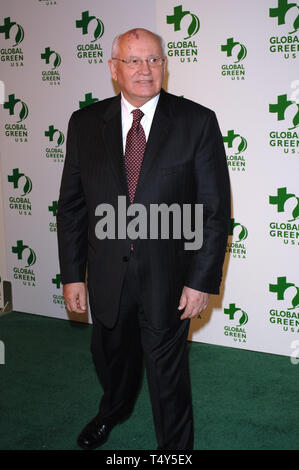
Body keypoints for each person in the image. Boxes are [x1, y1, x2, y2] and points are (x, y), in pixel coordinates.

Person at [57, 28, 230, 450]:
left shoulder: (196, 122)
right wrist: (71, 275)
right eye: (133, 60)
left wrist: (202, 280)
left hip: (169, 278)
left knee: (168, 373)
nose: (145, 69)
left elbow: (213, 209)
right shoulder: (84, 123)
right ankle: (113, 410)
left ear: (164, 66)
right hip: (105, 276)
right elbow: (73, 207)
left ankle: (175, 452)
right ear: (114, 69)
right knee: (112, 360)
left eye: (153, 59)